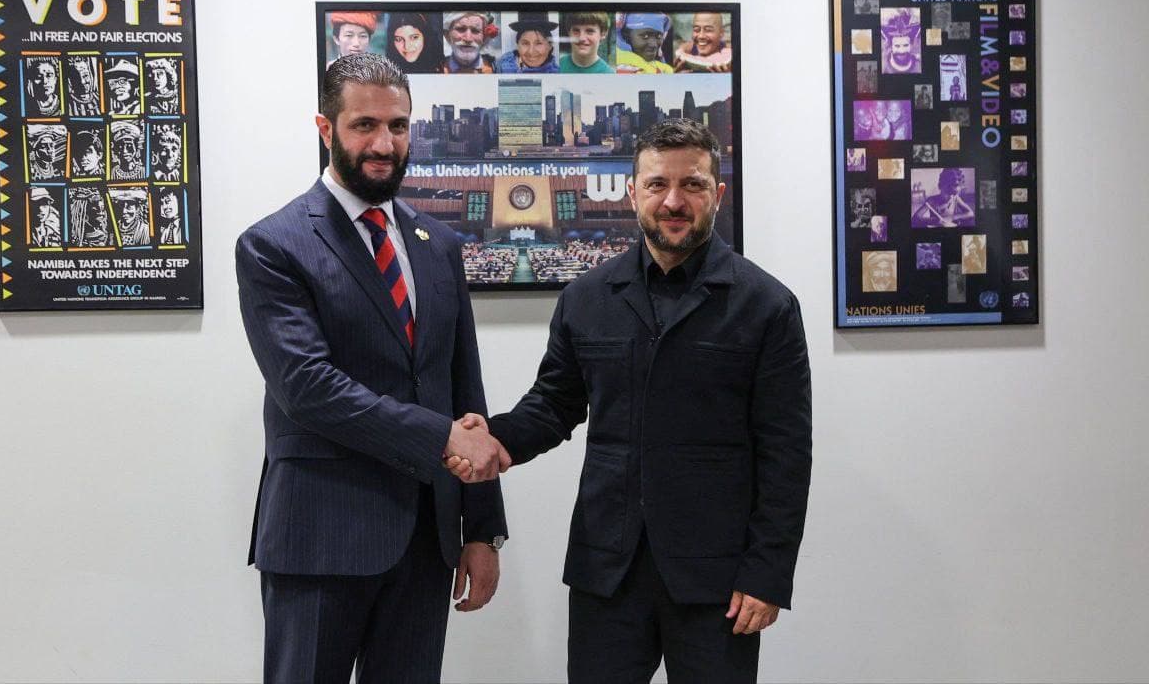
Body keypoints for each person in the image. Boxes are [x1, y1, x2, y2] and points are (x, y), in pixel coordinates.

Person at [454, 119, 812, 683]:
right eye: (657, 185)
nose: (673, 201)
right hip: (607, 571)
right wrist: (496, 438)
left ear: (717, 194)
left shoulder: (767, 306)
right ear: (632, 193)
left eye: (692, 185)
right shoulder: (586, 296)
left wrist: (767, 575)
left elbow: (786, 453)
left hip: (717, 581)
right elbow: (554, 403)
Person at [235, 53, 510, 683]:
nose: (384, 144)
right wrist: (440, 437)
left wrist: (482, 528)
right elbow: (308, 387)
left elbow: (464, 392)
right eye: (364, 125)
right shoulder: (274, 245)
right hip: (320, 537)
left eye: (399, 126)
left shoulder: (438, 246)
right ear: (325, 128)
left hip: (425, 540)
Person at [881, 8, 921, 74]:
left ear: (911, 45)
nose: (902, 50)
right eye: (897, 46)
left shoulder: (919, 65)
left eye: (905, 45)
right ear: (891, 46)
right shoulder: (883, 67)